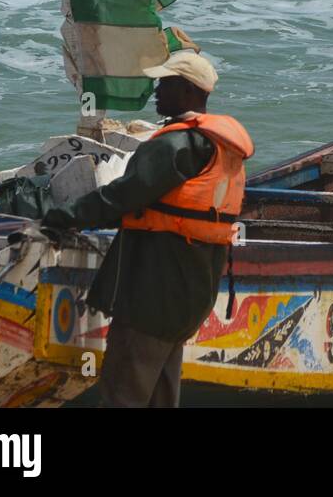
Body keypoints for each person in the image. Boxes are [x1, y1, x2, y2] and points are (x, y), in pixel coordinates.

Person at [42, 51, 254, 408]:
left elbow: (121, 198)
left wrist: (64, 216)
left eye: (165, 84)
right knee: (161, 393)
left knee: (123, 393)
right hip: (191, 294)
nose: (156, 91)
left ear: (188, 91)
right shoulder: (221, 146)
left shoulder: (173, 144)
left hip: (153, 292)